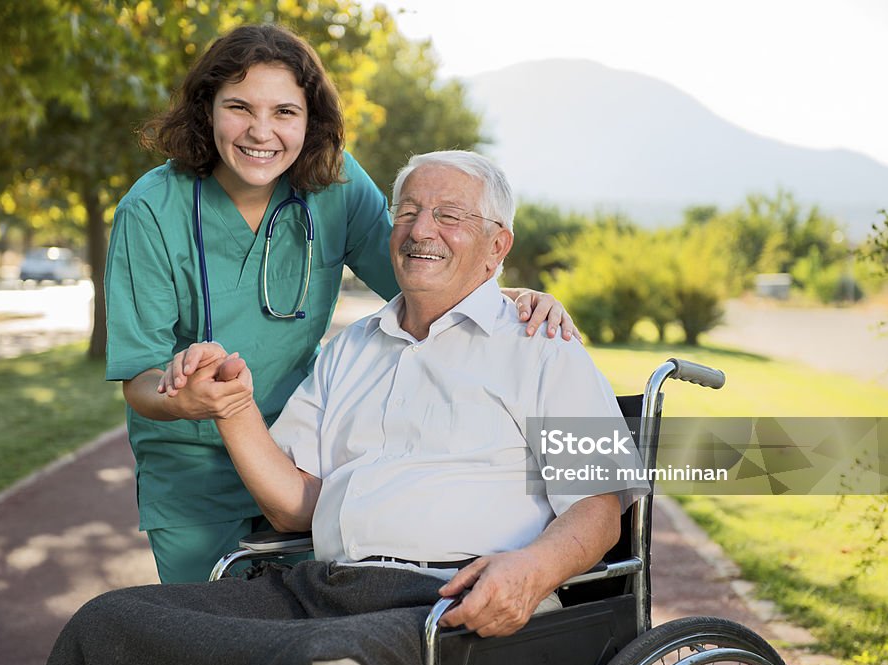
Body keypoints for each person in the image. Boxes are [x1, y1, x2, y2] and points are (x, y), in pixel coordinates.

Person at [44, 151, 649, 665]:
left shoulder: (544, 346)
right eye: (407, 211)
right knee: (108, 625)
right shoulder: (350, 348)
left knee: (327, 663)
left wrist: (531, 570)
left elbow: (597, 510)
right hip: (326, 588)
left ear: (498, 245)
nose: (421, 230)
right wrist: (233, 406)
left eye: (449, 215)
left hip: (453, 600)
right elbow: (293, 505)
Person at [107, 24, 580, 584]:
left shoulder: (542, 347)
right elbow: (141, 378)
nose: (262, 131)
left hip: (322, 476)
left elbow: (606, 498)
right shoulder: (153, 211)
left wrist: (506, 299)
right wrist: (199, 401)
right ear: (205, 110)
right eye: (239, 107)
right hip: (224, 477)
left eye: (285, 111)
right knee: (224, 637)